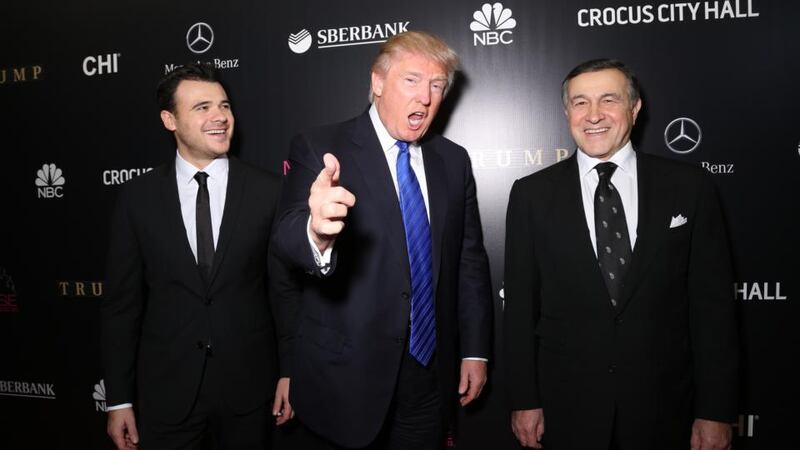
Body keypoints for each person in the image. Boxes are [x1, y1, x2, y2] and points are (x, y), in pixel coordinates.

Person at [270, 31, 493, 449]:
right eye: (411, 80)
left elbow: (469, 262)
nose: (425, 98)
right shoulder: (320, 147)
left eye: (436, 85)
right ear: (377, 82)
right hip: (345, 377)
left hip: (429, 377)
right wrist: (316, 231)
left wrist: (475, 351)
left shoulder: (453, 159)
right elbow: (287, 236)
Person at [503, 58, 738, 450]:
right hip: (567, 411)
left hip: (665, 409)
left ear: (634, 107)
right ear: (566, 112)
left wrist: (715, 409)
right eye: (580, 102)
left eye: (608, 100)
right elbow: (521, 310)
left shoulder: (689, 186)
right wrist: (525, 400)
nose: (593, 115)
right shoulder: (531, 195)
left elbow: (712, 310)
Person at [101, 62, 282, 449]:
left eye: (225, 106)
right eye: (202, 107)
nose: (220, 117)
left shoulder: (268, 191)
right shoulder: (138, 198)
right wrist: (119, 399)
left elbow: (285, 292)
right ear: (170, 119)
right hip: (167, 394)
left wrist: (290, 373)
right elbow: (121, 307)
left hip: (249, 392)